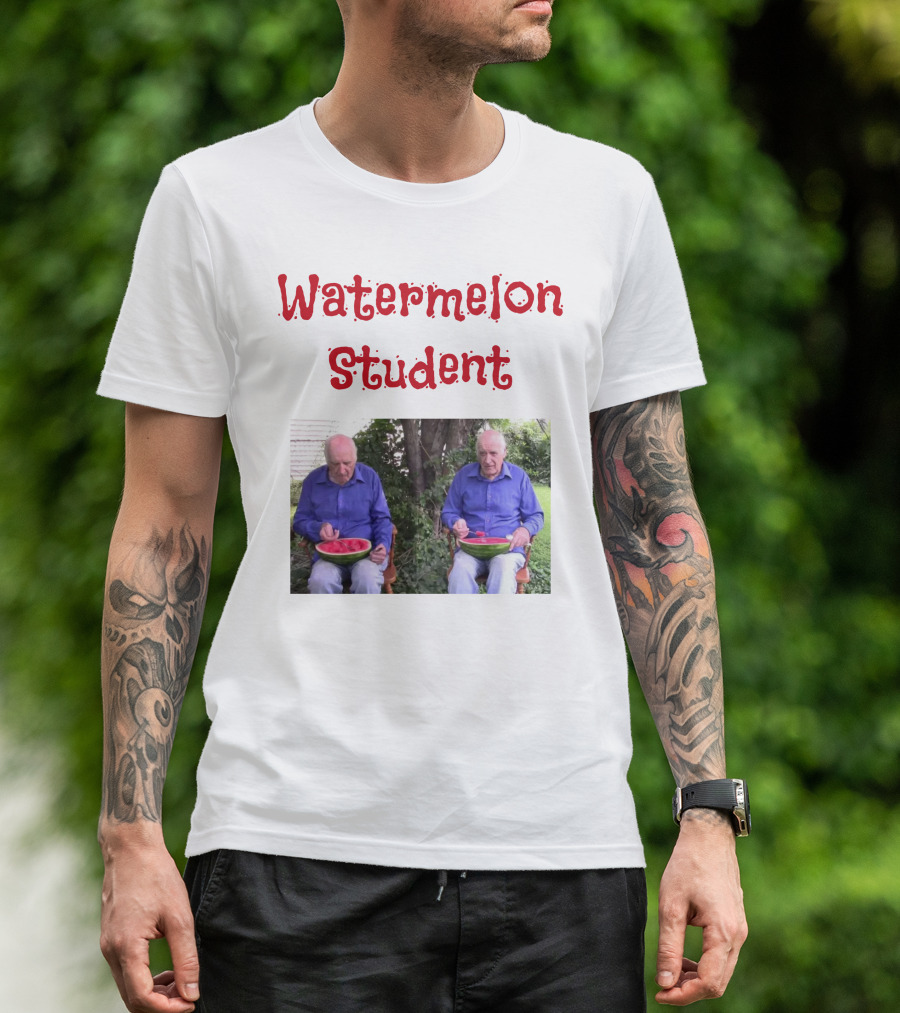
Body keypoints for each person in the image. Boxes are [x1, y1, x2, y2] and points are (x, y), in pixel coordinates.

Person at [97, 2, 748, 1011]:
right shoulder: (213, 200)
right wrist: (131, 832)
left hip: (559, 850)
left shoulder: (606, 198)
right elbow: (162, 526)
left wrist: (707, 808)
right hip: (290, 848)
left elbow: (654, 521)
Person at [442, 429, 543, 593]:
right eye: (482, 453)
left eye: (493, 453)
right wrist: (455, 521)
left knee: (503, 570)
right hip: (470, 550)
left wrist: (526, 529)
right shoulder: (463, 476)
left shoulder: (519, 477)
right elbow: (448, 512)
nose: (487, 460)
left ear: (505, 452)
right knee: (459, 572)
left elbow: (536, 515)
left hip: (507, 551)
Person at [292, 434, 392, 593]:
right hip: (328, 558)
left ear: (355, 458)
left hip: (366, 555)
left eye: (347, 463)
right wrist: (318, 528)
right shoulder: (312, 481)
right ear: (326, 460)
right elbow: (299, 521)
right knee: (320, 582)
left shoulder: (370, 477)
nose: (341, 470)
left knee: (367, 580)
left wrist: (383, 545)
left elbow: (382, 518)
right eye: (334, 464)